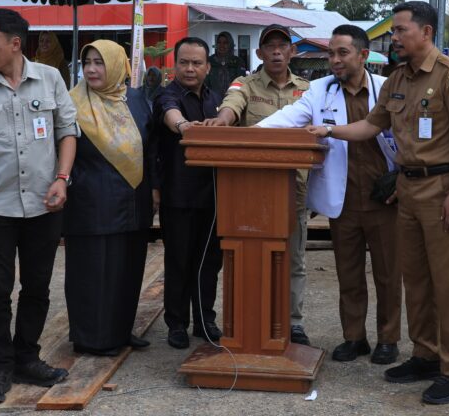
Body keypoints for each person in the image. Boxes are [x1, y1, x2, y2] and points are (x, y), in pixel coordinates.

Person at [309, 1, 449, 405]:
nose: (395, 37)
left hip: (441, 189)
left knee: (448, 283)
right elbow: (372, 125)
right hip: (407, 189)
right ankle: (425, 355)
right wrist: (330, 130)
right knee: (416, 278)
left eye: (401, 30)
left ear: (426, 32)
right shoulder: (396, 79)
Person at [0, 8, 78, 405]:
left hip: (44, 204)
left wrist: (62, 179)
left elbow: (67, 131)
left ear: (14, 43)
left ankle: (27, 357)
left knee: (37, 287)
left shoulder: (51, 78)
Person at [257, 25, 401, 364]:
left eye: (342, 53)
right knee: (349, 274)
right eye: (331, 53)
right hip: (344, 199)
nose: (334, 60)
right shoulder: (319, 90)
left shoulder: (388, 89)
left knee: (388, 274)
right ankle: (354, 338)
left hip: (386, 198)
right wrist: (242, 136)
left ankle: (388, 339)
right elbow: (284, 119)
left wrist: (404, 180)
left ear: (363, 55)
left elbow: (408, 137)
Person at [206, 25, 313, 345]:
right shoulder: (245, 84)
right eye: (270, 47)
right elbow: (231, 105)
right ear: (259, 53)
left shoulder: (309, 90)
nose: (277, 51)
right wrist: (221, 122)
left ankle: (292, 322)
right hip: (251, 192)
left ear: (293, 52)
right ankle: (250, 320)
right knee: (249, 254)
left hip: (293, 188)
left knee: (293, 258)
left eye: (283, 46)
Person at [64, 40, 154, 356]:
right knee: (93, 272)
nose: (91, 69)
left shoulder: (136, 99)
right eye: (87, 61)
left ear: (117, 65)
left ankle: (120, 330)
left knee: (127, 268)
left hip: (133, 201)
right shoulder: (72, 103)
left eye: (99, 62)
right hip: (92, 200)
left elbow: (149, 146)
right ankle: (93, 338)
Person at [153, 37, 222, 349]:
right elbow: (171, 116)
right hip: (178, 195)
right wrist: (184, 127)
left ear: (207, 67)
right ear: (175, 65)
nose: (190, 69)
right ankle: (176, 324)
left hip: (213, 196)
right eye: (184, 62)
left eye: (197, 63)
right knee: (179, 260)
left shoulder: (214, 98)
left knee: (209, 261)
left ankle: (205, 320)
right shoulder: (166, 96)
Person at [205, 31, 245, 97]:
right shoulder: (209, 61)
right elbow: (205, 83)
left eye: (225, 43)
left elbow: (241, 83)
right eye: (219, 42)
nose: (221, 45)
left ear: (230, 44)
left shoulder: (238, 62)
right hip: (212, 99)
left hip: (233, 99)